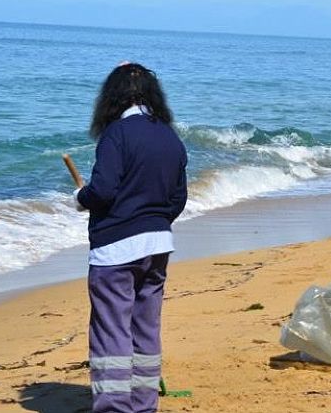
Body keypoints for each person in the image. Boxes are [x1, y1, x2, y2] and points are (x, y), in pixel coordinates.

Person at [74, 62, 188, 413]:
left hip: (116, 250)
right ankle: (143, 405)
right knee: (145, 329)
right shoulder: (170, 136)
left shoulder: (116, 135)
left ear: (112, 96)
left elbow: (104, 190)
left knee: (112, 331)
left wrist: (81, 198)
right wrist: (154, 221)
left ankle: (113, 407)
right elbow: (178, 198)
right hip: (158, 245)